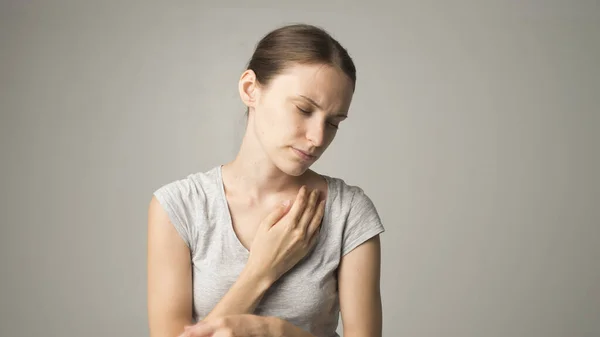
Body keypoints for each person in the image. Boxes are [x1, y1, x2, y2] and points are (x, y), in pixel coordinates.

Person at [147, 23, 385, 337]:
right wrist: (262, 270)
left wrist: (274, 331)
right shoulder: (179, 207)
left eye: (333, 123)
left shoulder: (348, 212)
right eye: (303, 109)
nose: (317, 138)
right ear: (250, 89)